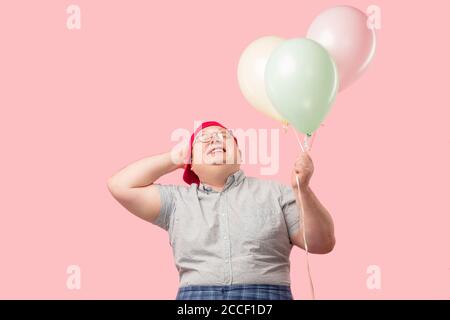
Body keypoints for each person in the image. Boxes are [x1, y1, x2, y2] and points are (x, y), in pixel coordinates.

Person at [107, 121, 335, 300]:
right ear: (191, 162)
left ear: (240, 155)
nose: (215, 139)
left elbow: (322, 243)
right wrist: (172, 159)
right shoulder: (177, 200)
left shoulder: (277, 192)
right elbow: (120, 186)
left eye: (224, 136)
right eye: (204, 139)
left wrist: (302, 189)